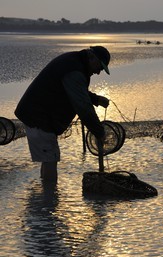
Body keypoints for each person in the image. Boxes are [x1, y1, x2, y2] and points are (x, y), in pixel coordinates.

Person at [15, 46, 110, 183]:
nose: (98, 72)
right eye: (100, 67)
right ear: (92, 57)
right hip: (39, 117)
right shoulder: (74, 69)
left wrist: (95, 99)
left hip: (38, 115)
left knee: (48, 158)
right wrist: (99, 131)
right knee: (51, 158)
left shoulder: (75, 62)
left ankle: (44, 197)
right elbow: (83, 108)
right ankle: (49, 198)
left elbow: (74, 90)